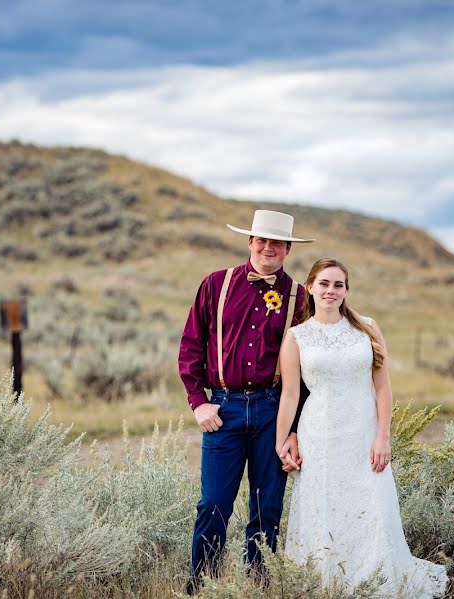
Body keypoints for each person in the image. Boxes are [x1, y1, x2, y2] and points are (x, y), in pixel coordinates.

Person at [275, 258, 448, 598]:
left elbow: (382, 388)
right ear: (310, 287)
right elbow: (291, 394)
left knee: (373, 506)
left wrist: (382, 436)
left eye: (338, 285)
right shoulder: (296, 337)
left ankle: (377, 581)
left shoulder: (367, 328)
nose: (330, 290)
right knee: (324, 507)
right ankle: (326, 581)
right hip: (319, 433)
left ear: (346, 291)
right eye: (324, 283)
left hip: (364, 432)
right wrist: (283, 441)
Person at [178, 209, 314, 593]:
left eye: (277, 243)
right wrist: (197, 401)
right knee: (214, 504)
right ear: (250, 242)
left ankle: (258, 584)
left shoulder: (300, 298)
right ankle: (202, 585)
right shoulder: (215, 285)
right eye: (262, 240)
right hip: (224, 409)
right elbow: (191, 345)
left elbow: (307, 369)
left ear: (287, 249)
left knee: (266, 506)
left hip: (275, 410)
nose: (268, 248)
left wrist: (295, 429)